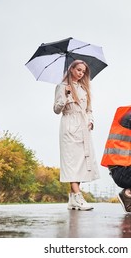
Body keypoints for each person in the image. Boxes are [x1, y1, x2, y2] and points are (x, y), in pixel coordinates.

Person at [53, 60, 99, 211]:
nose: (81, 73)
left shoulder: (84, 88)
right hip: (69, 126)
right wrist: (65, 95)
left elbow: (89, 109)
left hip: (83, 127)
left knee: (80, 163)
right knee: (72, 162)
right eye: (78, 70)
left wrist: (91, 121)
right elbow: (56, 109)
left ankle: (73, 199)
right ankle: (78, 197)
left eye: (83, 71)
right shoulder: (61, 87)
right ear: (71, 69)